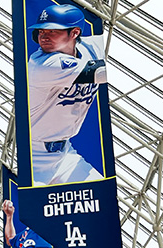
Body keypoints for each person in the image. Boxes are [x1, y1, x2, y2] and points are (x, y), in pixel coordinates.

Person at [25, 4, 107, 186]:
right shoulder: (43, 64)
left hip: (65, 154)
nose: (43, 36)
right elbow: (101, 73)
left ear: (75, 33)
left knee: (101, 197)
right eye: (40, 31)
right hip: (33, 157)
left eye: (53, 30)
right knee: (30, 214)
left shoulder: (89, 49)